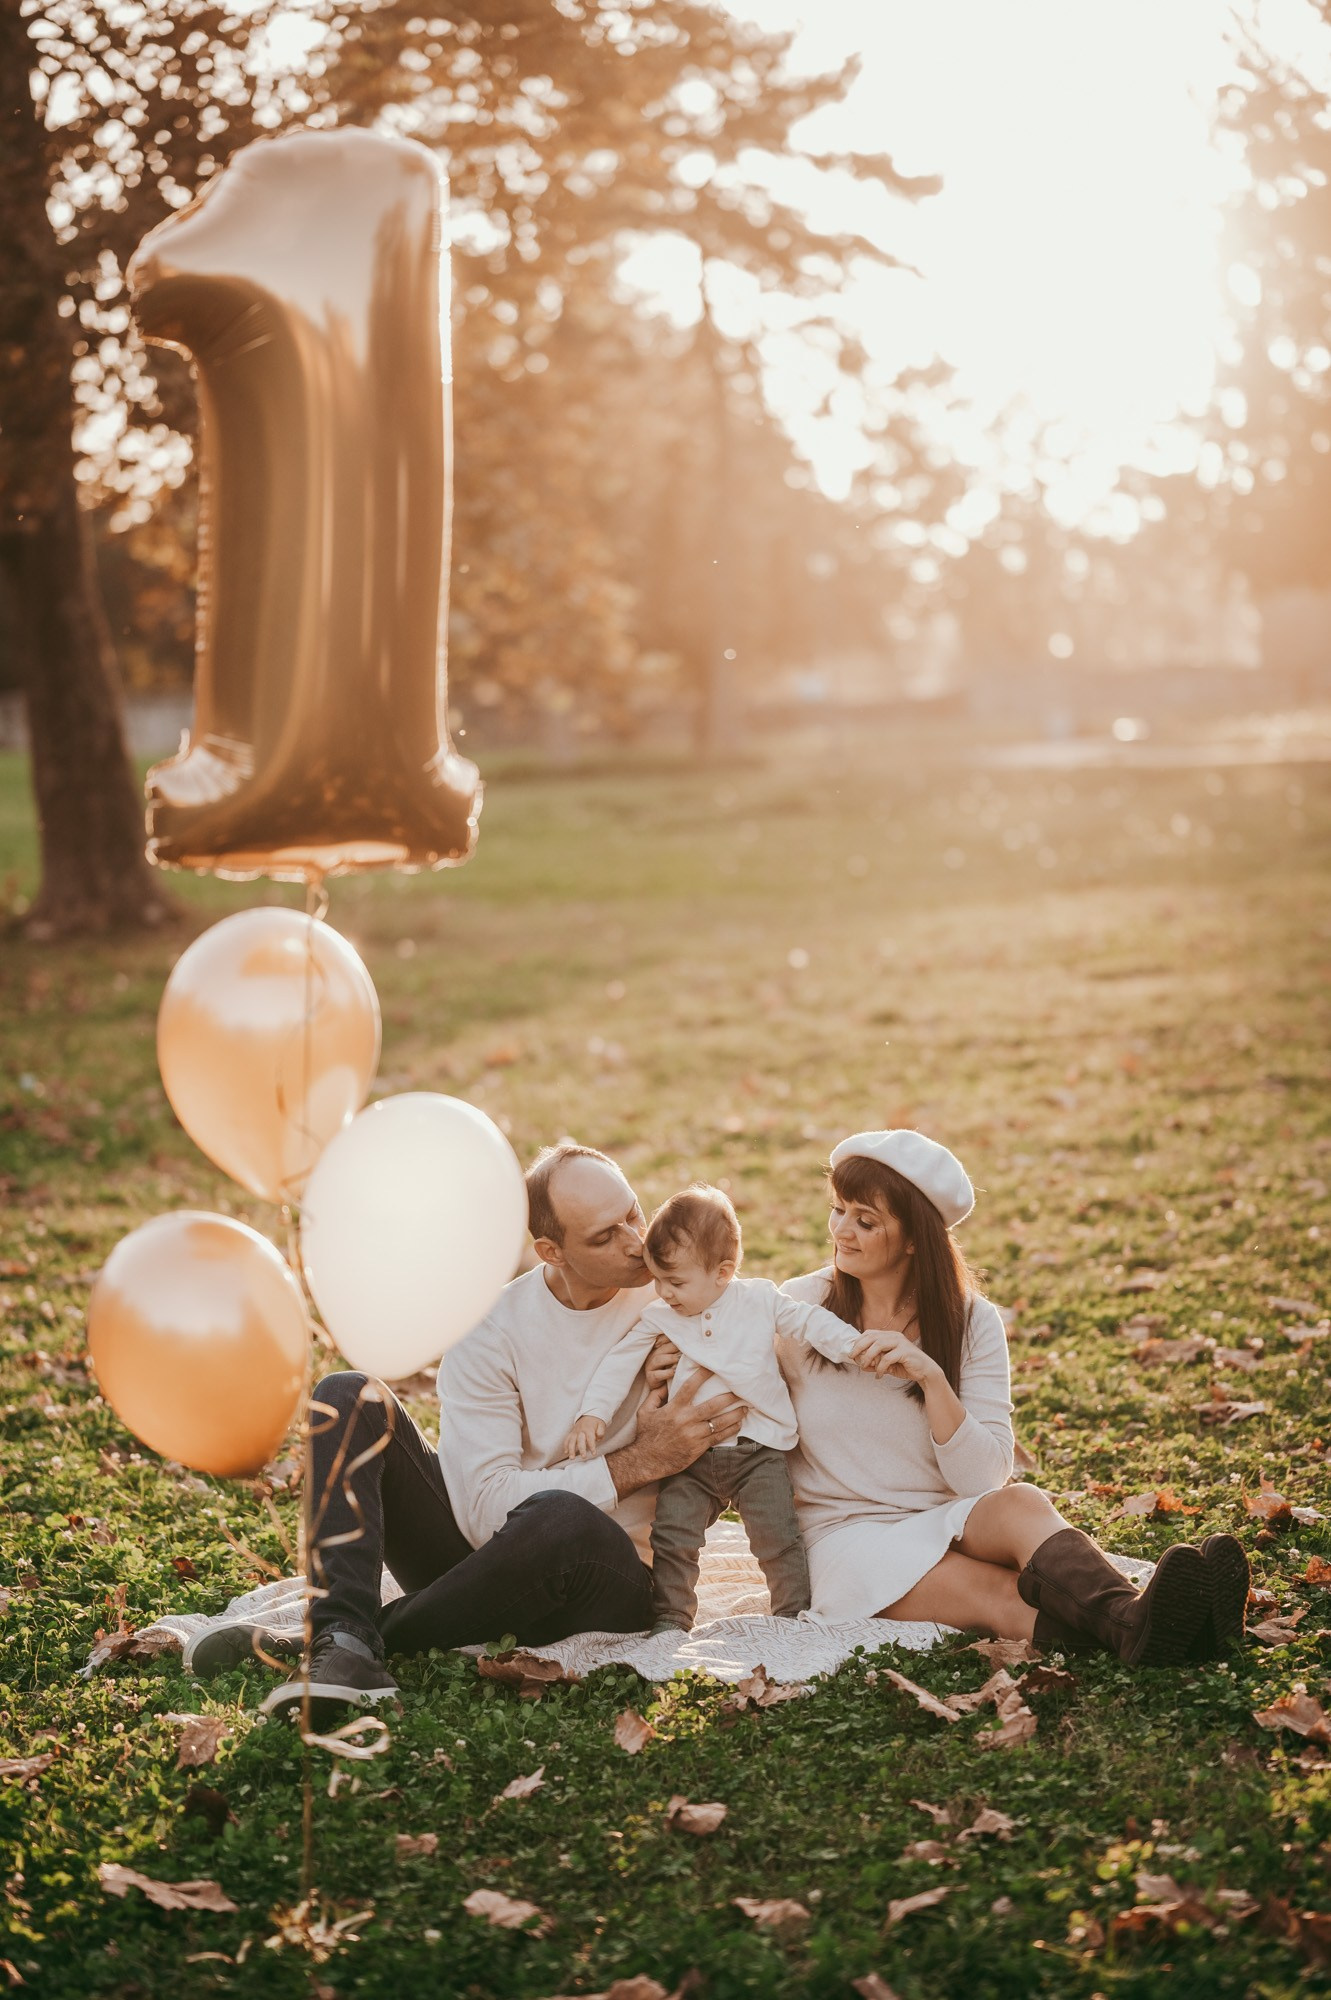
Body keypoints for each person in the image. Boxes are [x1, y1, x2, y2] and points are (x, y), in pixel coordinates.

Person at [186, 1142, 746, 1709]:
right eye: (605, 1236)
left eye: (633, 1213)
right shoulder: (491, 1330)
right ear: (552, 1251)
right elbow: (482, 1513)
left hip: (617, 1573)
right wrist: (641, 1461)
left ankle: (342, 1637)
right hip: (483, 1555)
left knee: (561, 1517)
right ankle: (345, 1639)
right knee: (346, 1396)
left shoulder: (682, 1293)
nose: (635, 1243)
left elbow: (745, 1408)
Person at [778, 1129, 1250, 1665]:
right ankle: (1159, 1629)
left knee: (1022, 1501)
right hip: (842, 1537)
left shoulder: (972, 1321)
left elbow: (983, 1479)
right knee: (997, 1591)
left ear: (914, 1239)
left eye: (865, 1221)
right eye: (837, 1210)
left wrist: (933, 1379)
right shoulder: (800, 1308)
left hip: (944, 1513)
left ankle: (1142, 1626)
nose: (841, 1230)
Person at [565, 1183, 893, 1631]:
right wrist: (593, 1412)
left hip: (758, 1449)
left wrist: (853, 1346)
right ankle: (670, 1618)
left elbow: (808, 1321)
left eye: (676, 1282)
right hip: (690, 1457)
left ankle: (792, 1614)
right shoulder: (661, 1316)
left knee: (777, 1535)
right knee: (674, 1537)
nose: (663, 1292)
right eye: (657, 1279)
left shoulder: (759, 1300)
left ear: (722, 1273)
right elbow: (619, 1362)